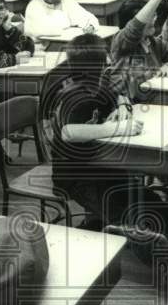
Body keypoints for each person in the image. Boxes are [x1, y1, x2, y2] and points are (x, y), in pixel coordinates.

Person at [48, 34, 143, 230]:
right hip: (75, 176)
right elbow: (69, 132)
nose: (109, 62)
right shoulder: (74, 95)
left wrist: (122, 105)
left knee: (143, 198)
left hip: (102, 165)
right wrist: (118, 128)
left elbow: (118, 93)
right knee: (123, 216)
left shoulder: (99, 83)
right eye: (105, 60)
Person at [105, 0, 168, 109]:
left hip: (150, 102)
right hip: (126, 105)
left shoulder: (153, 41)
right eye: (149, 18)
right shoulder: (121, 40)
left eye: (154, 16)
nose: (154, 20)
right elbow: (136, 26)